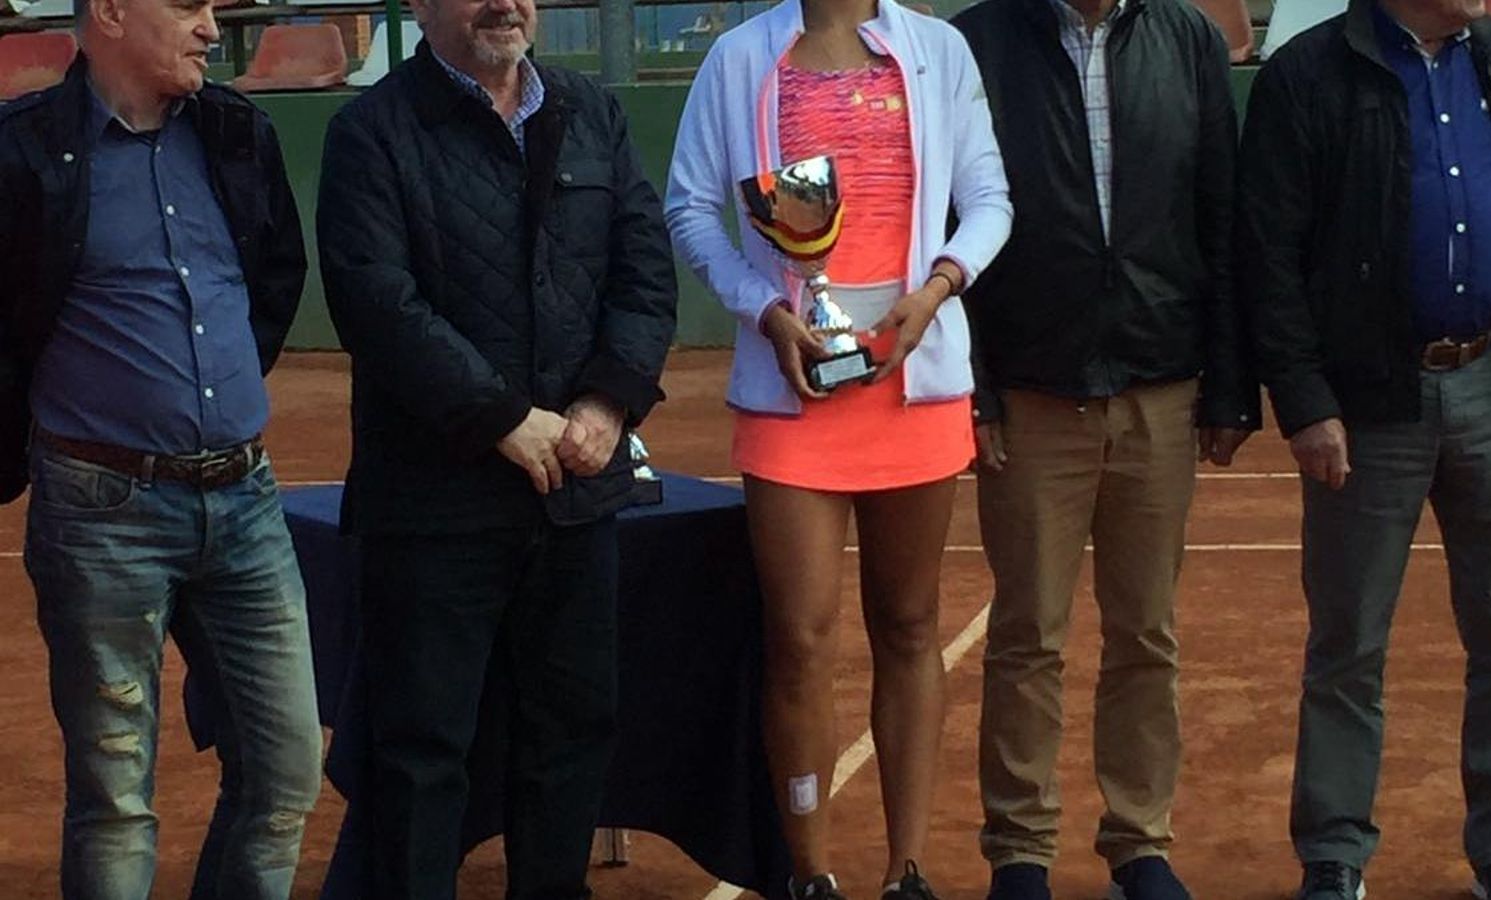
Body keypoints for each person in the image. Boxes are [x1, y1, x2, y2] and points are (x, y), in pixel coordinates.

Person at [315, 0, 677, 893]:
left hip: (575, 493)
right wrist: (506, 420)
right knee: (420, 755)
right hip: (432, 508)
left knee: (570, 738)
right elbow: (377, 303)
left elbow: (644, 269)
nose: (505, 3)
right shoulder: (370, 131)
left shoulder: (592, 111)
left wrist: (607, 403)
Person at [1236, 0, 1491, 894]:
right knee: (1349, 644)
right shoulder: (1307, 75)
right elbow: (1269, 255)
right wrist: (1306, 404)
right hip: (1366, 405)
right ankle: (1334, 855)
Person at [665, 1, 1012, 897]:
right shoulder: (737, 58)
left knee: (910, 624)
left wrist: (936, 290)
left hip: (914, 383)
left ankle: (907, 869)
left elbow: (989, 201)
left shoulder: (940, 50)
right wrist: (768, 311)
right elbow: (690, 210)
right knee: (799, 635)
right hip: (792, 390)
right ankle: (810, 873)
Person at [0, 0, 323, 895]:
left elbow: (273, 278)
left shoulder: (238, 134)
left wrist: (208, 398)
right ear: (110, 11)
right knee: (115, 801)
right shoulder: (20, 151)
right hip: (101, 512)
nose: (212, 27)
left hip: (247, 499)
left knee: (286, 772)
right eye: (187, 5)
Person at [949, 0, 1259, 896]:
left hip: (1160, 387)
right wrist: (975, 388)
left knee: (1147, 633)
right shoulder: (976, 42)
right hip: (1031, 393)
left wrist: (1229, 382)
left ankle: (1139, 843)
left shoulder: (1189, 39)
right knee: (1026, 635)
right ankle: (1020, 853)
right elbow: (950, 219)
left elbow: (1221, 212)